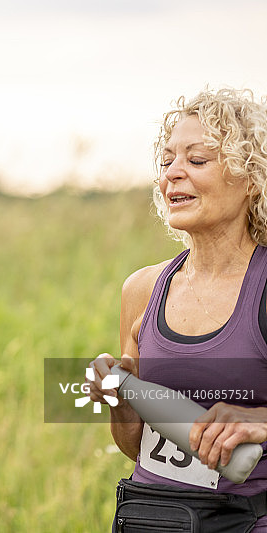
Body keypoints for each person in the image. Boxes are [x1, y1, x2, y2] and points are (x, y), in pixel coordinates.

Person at [90, 88, 267, 531]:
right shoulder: (143, 288)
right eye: (167, 161)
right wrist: (120, 397)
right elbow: (135, 446)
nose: (173, 174)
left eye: (197, 160)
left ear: (250, 177)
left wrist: (258, 420)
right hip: (151, 517)